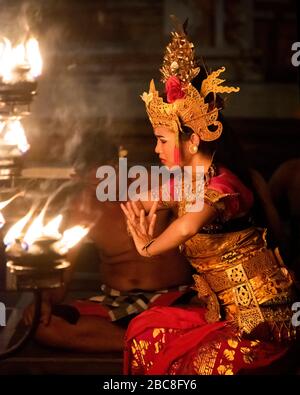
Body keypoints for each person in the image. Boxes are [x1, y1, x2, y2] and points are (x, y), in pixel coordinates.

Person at [121, 20, 299, 375]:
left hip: (263, 323)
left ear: (193, 141)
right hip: (226, 313)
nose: (156, 148)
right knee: (144, 332)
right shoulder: (188, 180)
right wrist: (137, 210)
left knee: (191, 363)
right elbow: (150, 197)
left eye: (162, 139)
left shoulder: (224, 184)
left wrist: (148, 247)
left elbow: (188, 226)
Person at [23, 132, 193, 353]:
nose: (101, 189)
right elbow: (62, 275)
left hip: (172, 298)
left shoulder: (157, 186)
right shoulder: (81, 209)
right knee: (43, 327)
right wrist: (43, 300)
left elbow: (201, 224)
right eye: (92, 183)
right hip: (114, 303)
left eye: (106, 178)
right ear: (78, 176)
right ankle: (151, 343)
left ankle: (156, 338)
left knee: (198, 321)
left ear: (117, 166)